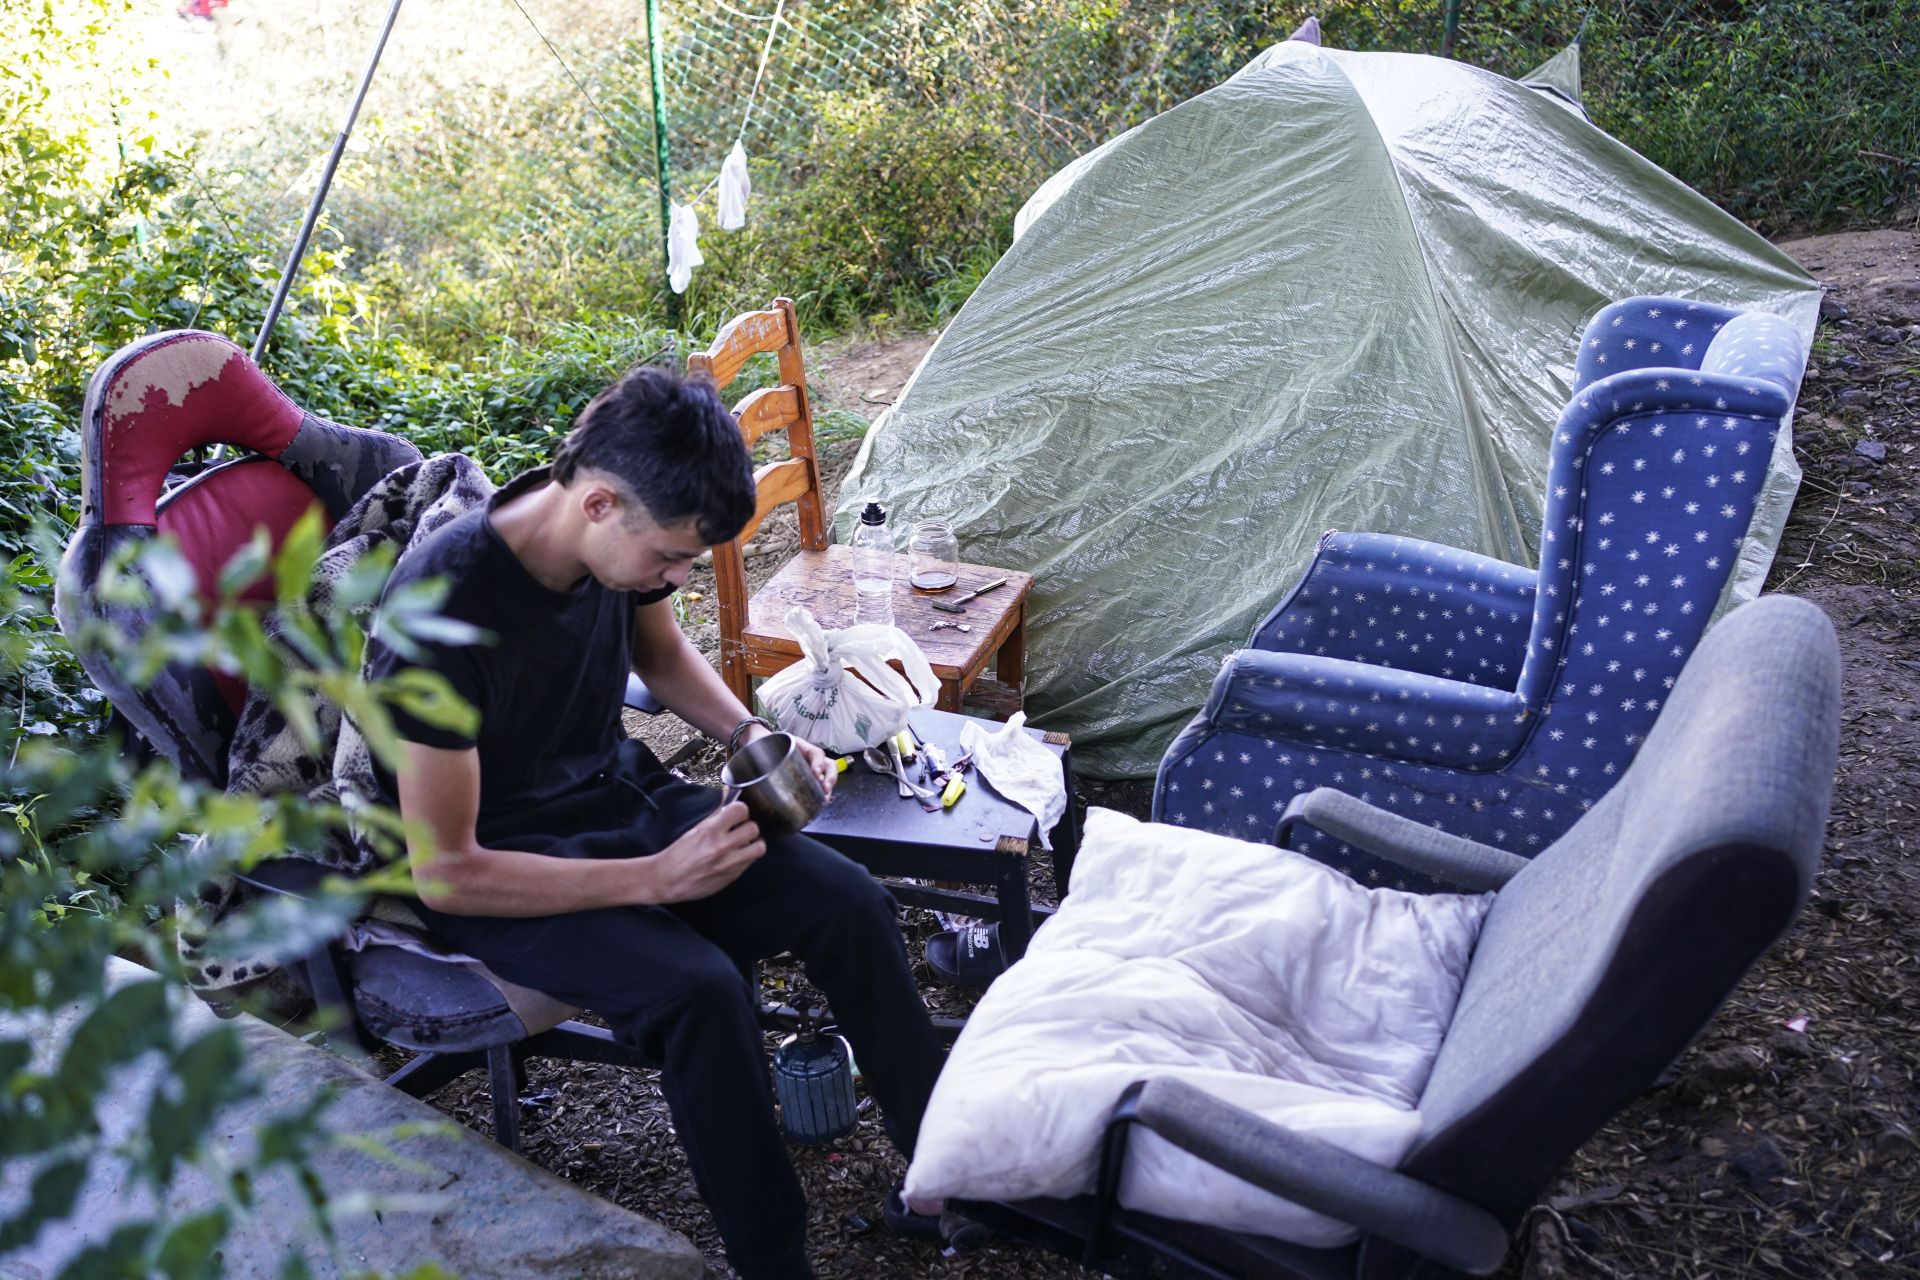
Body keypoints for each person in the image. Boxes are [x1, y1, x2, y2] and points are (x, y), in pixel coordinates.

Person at [364, 364, 945, 1280]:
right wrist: (656, 880)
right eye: (673, 558)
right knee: (699, 990)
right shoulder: (443, 617)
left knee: (850, 903)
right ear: (599, 504)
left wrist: (756, 735)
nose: (677, 576)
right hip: (499, 868)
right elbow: (446, 873)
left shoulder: (610, 535)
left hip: (614, 801)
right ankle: (771, 1258)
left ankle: (947, 1177)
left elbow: (661, 651)